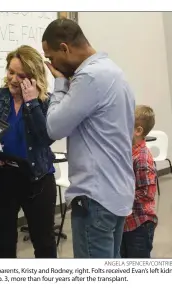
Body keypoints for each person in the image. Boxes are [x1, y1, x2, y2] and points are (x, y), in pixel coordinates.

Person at [42, 18, 135, 258]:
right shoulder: (113, 70)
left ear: (65, 48)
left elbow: (53, 127)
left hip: (95, 197)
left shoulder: (89, 77)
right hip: (116, 193)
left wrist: (60, 83)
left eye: (51, 57)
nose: (51, 64)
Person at [0, 45, 57, 258]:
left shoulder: (46, 102)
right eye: (10, 72)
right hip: (2, 178)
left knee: (44, 243)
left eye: (21, 75)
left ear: (33, 77)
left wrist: (30, 102)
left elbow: (46, 137)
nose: (13, 79)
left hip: (37, 178)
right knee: (3, 242)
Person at [121, 105, 158, 258]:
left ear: (138, 130)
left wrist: (121, 198)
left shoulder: (142, 157)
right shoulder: (129, 151)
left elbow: (146, 194)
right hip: (127, 223)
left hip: (139, 224)